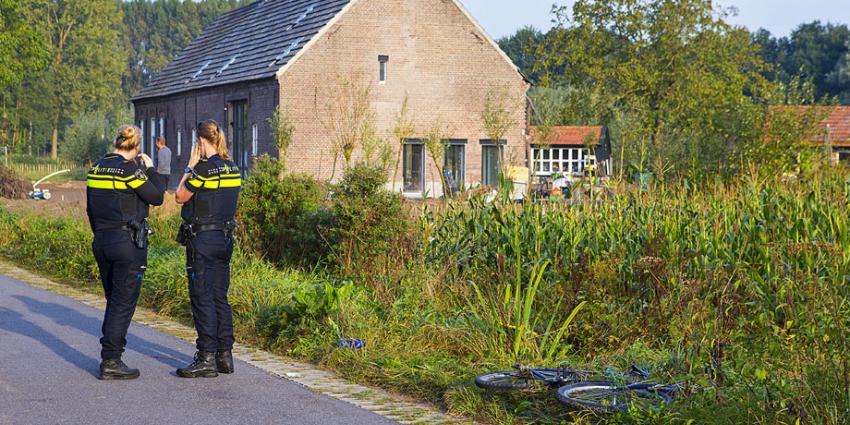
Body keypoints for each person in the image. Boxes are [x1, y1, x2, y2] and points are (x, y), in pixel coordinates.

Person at [87, 125, 165, 380]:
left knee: (114, 299)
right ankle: (111, 359)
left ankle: (111, 352)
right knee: (123, 302)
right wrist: (152, 168)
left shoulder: (96, 167)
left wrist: (100, 234)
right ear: (137, 147)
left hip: (101, 240)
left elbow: (90, 209)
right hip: (126, 243)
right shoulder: (129, 169)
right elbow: (156, 196)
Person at [174, 120, 242, 378]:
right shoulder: (232, 168)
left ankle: (206, 358)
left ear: (201, 142)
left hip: (202, 240)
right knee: (219, 296)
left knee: (202, 297)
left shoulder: (203, 169)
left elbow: (180, 195)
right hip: (225, 240)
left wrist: (189, 166)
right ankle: (225, 356)